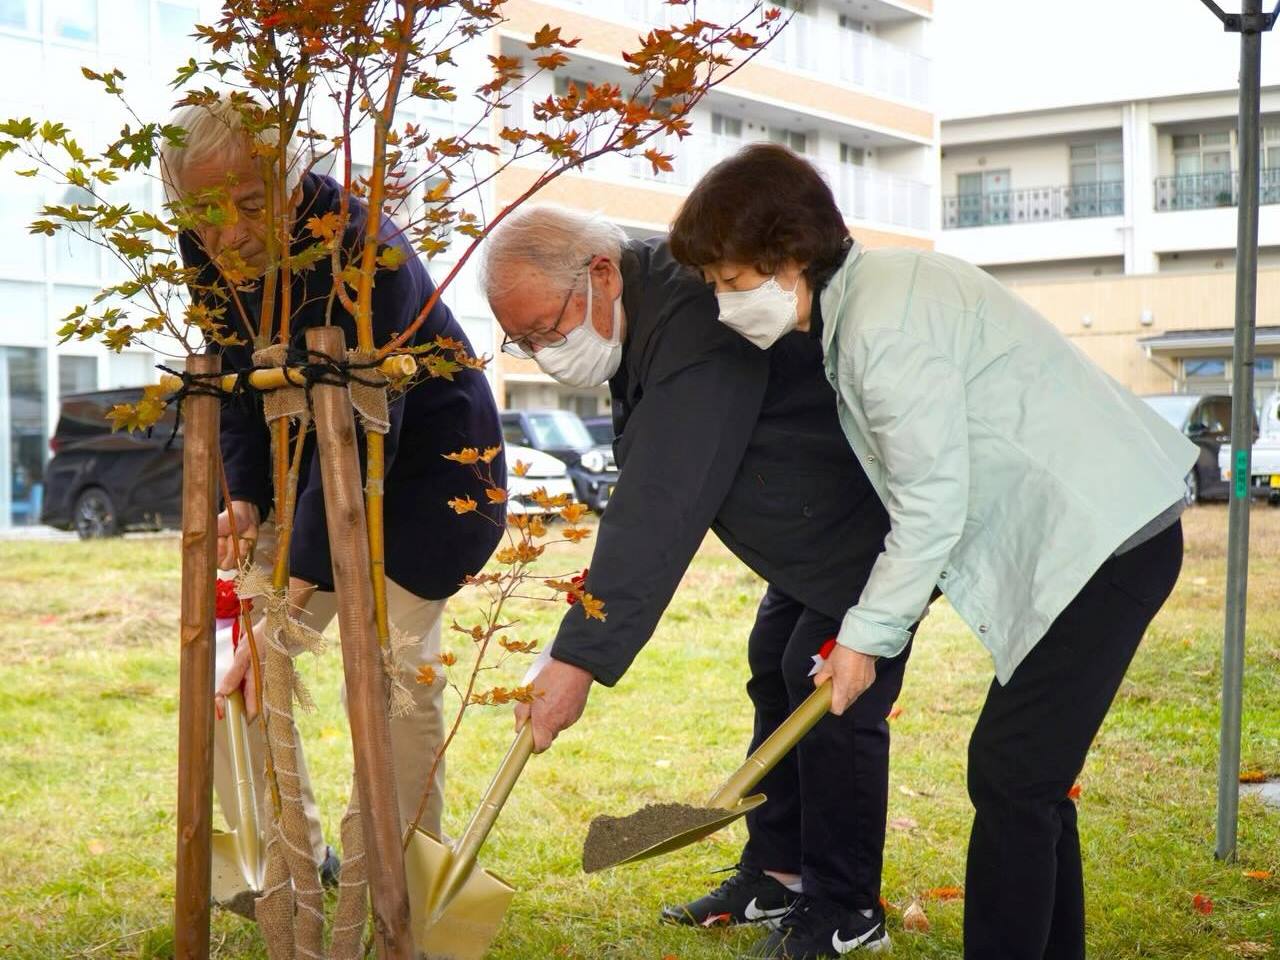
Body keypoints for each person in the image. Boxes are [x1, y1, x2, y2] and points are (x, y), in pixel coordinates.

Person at [668, 142, 1197, 960]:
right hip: (1094, 532)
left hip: (1106, 540)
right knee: (1027, 777)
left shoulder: (880, 331)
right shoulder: (876, 298)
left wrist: (865, 638)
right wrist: (862, 628)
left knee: (1013, 774)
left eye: (731, 281)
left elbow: (930, 501)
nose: (724, 301)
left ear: (789, 257)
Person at [481, 205, 916, 956]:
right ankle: (777, 875)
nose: (545, 353)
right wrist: (572, 644)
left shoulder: (690, 313)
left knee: (829, 691)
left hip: (860, 521)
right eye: (523, 342)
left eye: (547, 330)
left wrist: (579, 657)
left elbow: (663, 499)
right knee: (774, 665)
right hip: (806, 530)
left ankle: (846, 906)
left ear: (601, 274)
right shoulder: (639, 313)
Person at [160, 96, 505, 883]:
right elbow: (232, 373)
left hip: (423, 478)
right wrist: (243, 494)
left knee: (393, 683)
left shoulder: (364, 249)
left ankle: (395, 878)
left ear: (291, 182)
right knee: (240, 671)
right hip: (300, 476)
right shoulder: (205, 245)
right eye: (205, 214)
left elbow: (356, 428)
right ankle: (294, 864)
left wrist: (291, 598)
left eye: (252, 205)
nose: (228, 235)